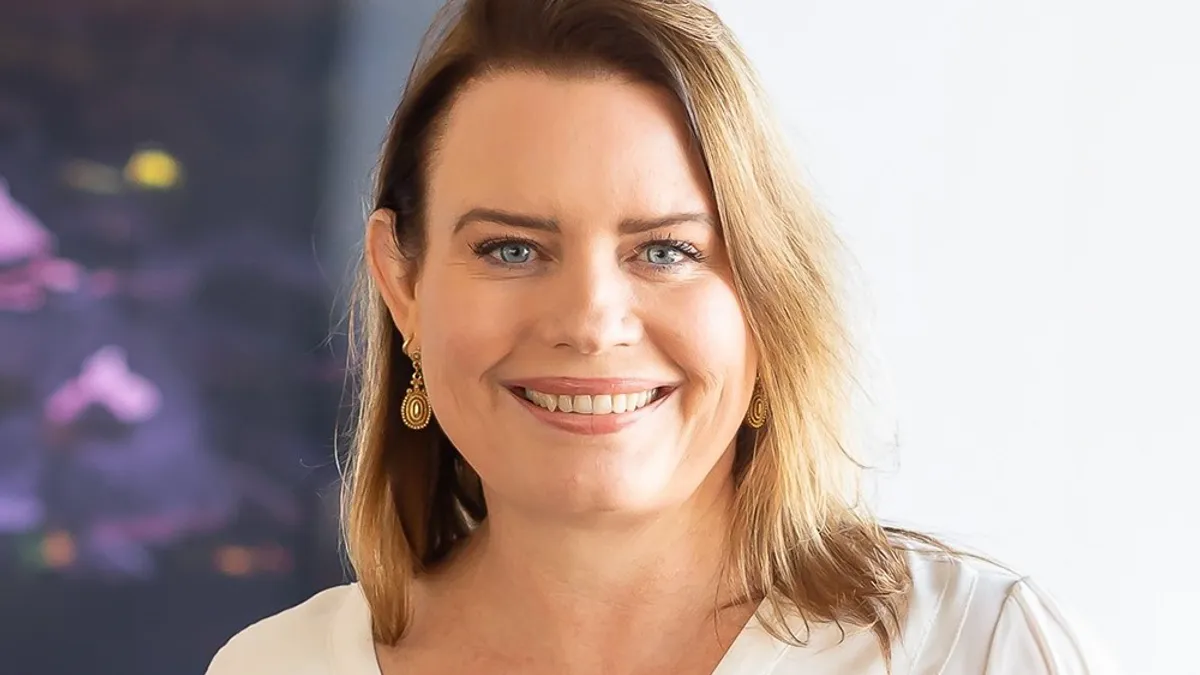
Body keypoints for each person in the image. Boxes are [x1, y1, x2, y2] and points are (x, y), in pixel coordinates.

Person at [207, 0, 1117, 672]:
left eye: (668, 249)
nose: (591, 322)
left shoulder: (972, 648)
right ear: (401, 280)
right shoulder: (276, 666)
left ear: (765, 289)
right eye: (513, 247)